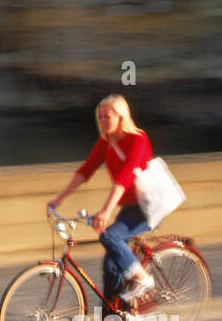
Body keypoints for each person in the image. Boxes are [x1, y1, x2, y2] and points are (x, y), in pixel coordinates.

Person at [48, 94, 157, 306]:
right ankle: (111, 318)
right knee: (110, 263)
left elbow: (125, 177)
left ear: (121, 117)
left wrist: (106, 211)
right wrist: (58, 199)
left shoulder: (138, 139)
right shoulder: (105, 143)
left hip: (148, 206)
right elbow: (85, 171)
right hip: (129, 207)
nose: (103, 121)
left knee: (109, 237)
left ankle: (143, 280)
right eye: (100, 117)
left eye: (108, 116)